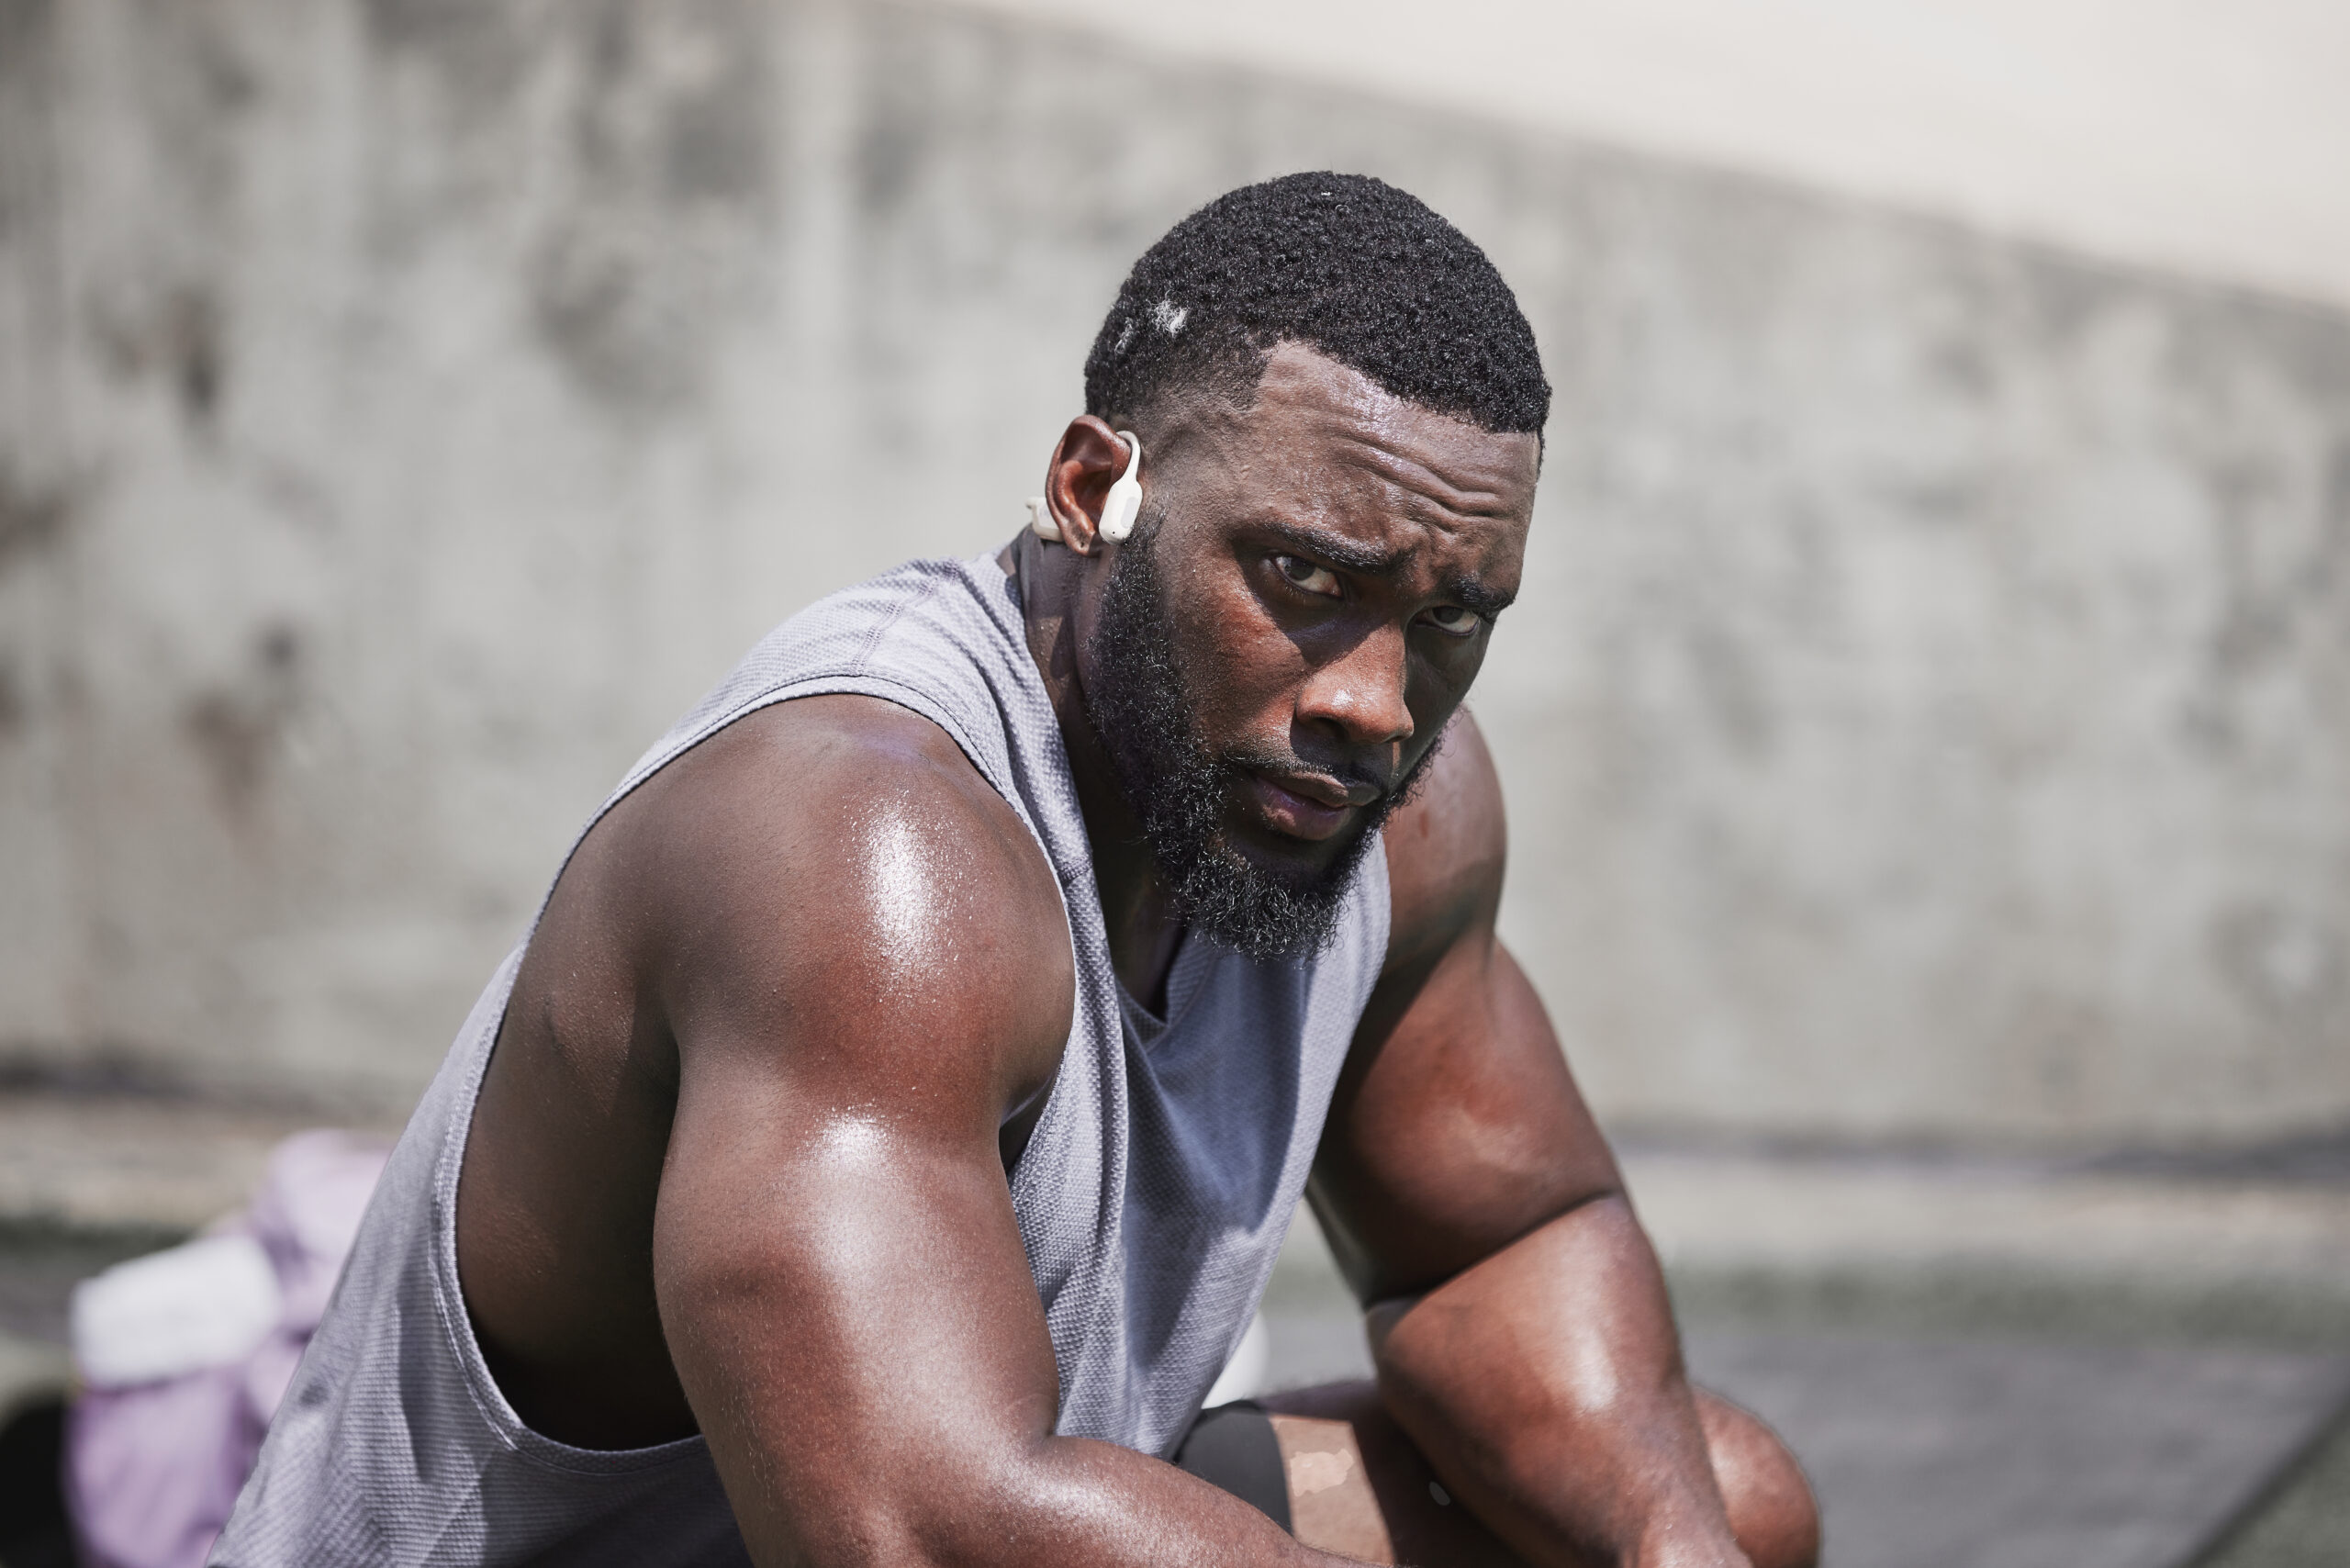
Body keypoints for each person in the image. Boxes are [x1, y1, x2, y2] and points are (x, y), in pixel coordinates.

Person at [211, 173, 1819, 1568]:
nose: (1376, 702)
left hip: (983, 1503)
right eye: (1304, 578)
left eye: (1452, 617)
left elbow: (1506, 1244)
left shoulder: (1390, 808)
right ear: (1094, 490)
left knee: (1714, 1505)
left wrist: (1673, 1546)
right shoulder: (859, 849)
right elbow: (922, 1533)